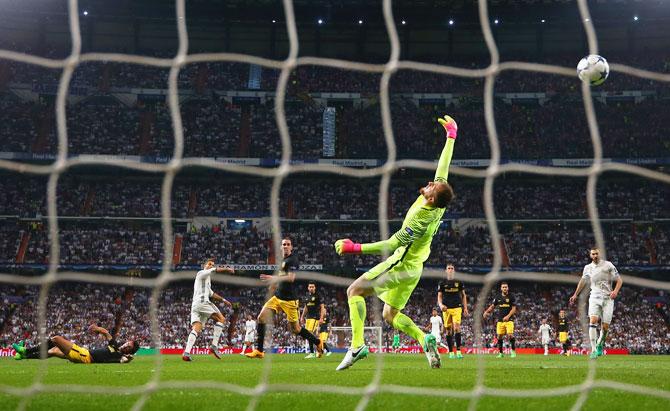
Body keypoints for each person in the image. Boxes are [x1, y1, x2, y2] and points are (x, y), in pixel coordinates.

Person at [334, 114, 458, 371]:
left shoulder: (420, 217)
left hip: (401, 263)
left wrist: (354, 247)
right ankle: (425, 340)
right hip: (415, 268)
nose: (430, 183)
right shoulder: (436, 202)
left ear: (433, 199)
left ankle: (357, 346)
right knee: (389, 315)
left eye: (432, 187)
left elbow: (391, 244)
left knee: (353, 291)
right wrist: (451, 136)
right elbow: (443, 168)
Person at [246, 237, 323, 359]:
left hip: (290, 300)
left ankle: (318, 342)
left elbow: (291, 278)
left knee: (296, 329)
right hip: (277, 297)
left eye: (288, 244)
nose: (286, 246)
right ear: (281, 247)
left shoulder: (293, 260)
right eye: (284, 244)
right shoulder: (282, 260)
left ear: (291, 247)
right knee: (261, 317)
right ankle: (259, 351)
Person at [569, 247, 623, 359]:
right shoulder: (587, 268)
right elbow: (583, 281)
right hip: (594, 297)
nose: (595, 256)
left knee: (606, 327)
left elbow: (619, 280)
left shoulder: (608, 265)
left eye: (597, 254)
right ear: (590, 255)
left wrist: (615, 291)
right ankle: (593, 350)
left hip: (608, 299)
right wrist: (575, 294)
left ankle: (600, 344)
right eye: (593, 254)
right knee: (593, 321)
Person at [183, 258, 235, 361]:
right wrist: (227, 268)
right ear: (204, 265)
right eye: (209, 264)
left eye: (212, 265)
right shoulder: (201, 273)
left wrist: (224, 300)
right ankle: (214, 346)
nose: (211, 266)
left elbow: (212, 294)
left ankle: (186, 353)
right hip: (202, 303)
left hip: (196, 305)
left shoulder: (207, 280)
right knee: (221, 319)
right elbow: (214, 270)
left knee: (196, 328)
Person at [13, 324, 139, 364]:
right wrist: (98, 329)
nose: (125, 346)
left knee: (56, 339)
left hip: (84, 356)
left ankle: (26, 351)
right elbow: (107, 334)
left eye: (128, 347)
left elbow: (124, 360)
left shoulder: (119, 356)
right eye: (127, 343)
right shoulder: (116, 346)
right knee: (53, 351)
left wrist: (128, 359)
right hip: (83, 353)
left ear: (129, 351)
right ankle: (25, 356)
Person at [437, 264, 469, 359]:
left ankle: (458, 351)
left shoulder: (459, 282)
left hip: (457, 307)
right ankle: (451, 352)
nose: (450, 270)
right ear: (446, 270)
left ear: (454, 270)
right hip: (446, 308)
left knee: (456, 328)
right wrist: (441, 305)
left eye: (452, 268)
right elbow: (439, 296)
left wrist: (465, 308)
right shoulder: (442, 282)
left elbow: (463, 295)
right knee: (448, 330)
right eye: (448, 268)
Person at [483, 282, 518, 358]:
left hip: (509, 320)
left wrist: (508, 316)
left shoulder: (512, 296)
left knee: (510, 335)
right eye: (503, 287)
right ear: (501, 288)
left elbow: (514, 308)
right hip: (500, 320)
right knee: (499, 336)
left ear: (508, 288)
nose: (505, 288)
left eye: (506, 287)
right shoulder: (498, 297)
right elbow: (492, 306)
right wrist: (486, 311)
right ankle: (501, 353)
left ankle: (513, 351)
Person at [300, 282, 325, 359]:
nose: (311, 288)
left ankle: (311, 352)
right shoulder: (307, 296)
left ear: (315, 288)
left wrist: (321, 318)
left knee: (309, 333)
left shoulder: (318, 295)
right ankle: (320, 349)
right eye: (310, 287)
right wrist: (302, 317)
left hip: (315, 317)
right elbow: (306, 307)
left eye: (312, 287)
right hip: (308, 317)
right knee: (309, 335)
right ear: (308, 288)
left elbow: (322, 307)